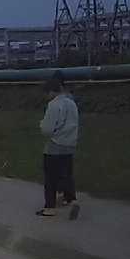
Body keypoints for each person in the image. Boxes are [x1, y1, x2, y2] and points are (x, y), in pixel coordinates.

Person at [38, 72, 80, 219]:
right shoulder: (71, 103)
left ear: (51, 91)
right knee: (66, 174)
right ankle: (71, 199)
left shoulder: (54, 105)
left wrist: (41, 125)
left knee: (50, 177)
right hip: (70, 144)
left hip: (54, 145)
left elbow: (47, 129)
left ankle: (49, 207)